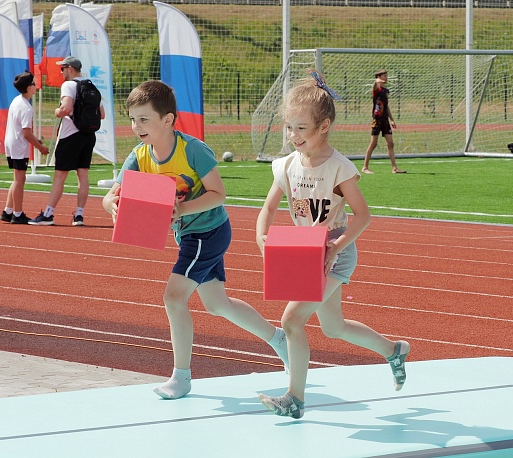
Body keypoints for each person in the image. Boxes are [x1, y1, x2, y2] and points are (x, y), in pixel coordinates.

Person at [101, 80, 288, 400]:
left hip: (209, 231)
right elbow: (110, 196)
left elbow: (218, 194)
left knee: (173, 298)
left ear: (168, 120)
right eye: (132, 119)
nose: (136, 126)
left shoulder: (193, 150)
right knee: (218, 304)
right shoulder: (139, 156)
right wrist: (114, 207)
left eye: (144, 119)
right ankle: (279, 339)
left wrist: (180, 209)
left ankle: (182, 377)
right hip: (188, 235)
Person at [256, 71, 410, 419]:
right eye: (288, 127)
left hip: (331, 253)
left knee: (292, 319)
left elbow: (363, 216)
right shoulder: (286, 165)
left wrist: (336, 247)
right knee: (333, 327)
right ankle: (393, 350)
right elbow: (267, 207)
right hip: (301, 251)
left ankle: (294, 399)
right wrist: (261, 237)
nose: (293, 135)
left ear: (323, 126)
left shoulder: (339, 168)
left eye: (301, 128)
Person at [29, 56, 105, 226]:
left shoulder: (68, 85)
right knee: (83, 174)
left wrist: (57, 111)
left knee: (60, 176)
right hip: (88, 135)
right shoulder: (91, 86)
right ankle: (79, 215)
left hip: (70, 135)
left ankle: (48, 213)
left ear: (70, 69)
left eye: (62, 69)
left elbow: (66, 109)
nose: (61, 72)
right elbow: (102, 114)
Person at [0, 71, 49, 225]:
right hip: (18, 144)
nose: (36, 86)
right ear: (28, 88)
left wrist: (36, 140)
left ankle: (8, 211)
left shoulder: (17, 101)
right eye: (34, 84)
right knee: (19, 180)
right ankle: (17, 213)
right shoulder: (26, 108)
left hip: (12, 142)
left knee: (18, 178)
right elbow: (26, 133)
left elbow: (25, 131)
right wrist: (40, 147)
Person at [361, 69, 405, 174]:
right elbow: (375, 85)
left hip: (385, 120)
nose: (386, 77)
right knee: (373, 144)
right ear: (379, 77)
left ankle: (394, 168)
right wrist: (377, 81)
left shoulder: (386, 91)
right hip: (377, 120)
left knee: (390, 143)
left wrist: (392, 120)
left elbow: (386, 106)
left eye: (386, 75)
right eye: (384, 75)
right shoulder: (376, 89)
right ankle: (365, 167)